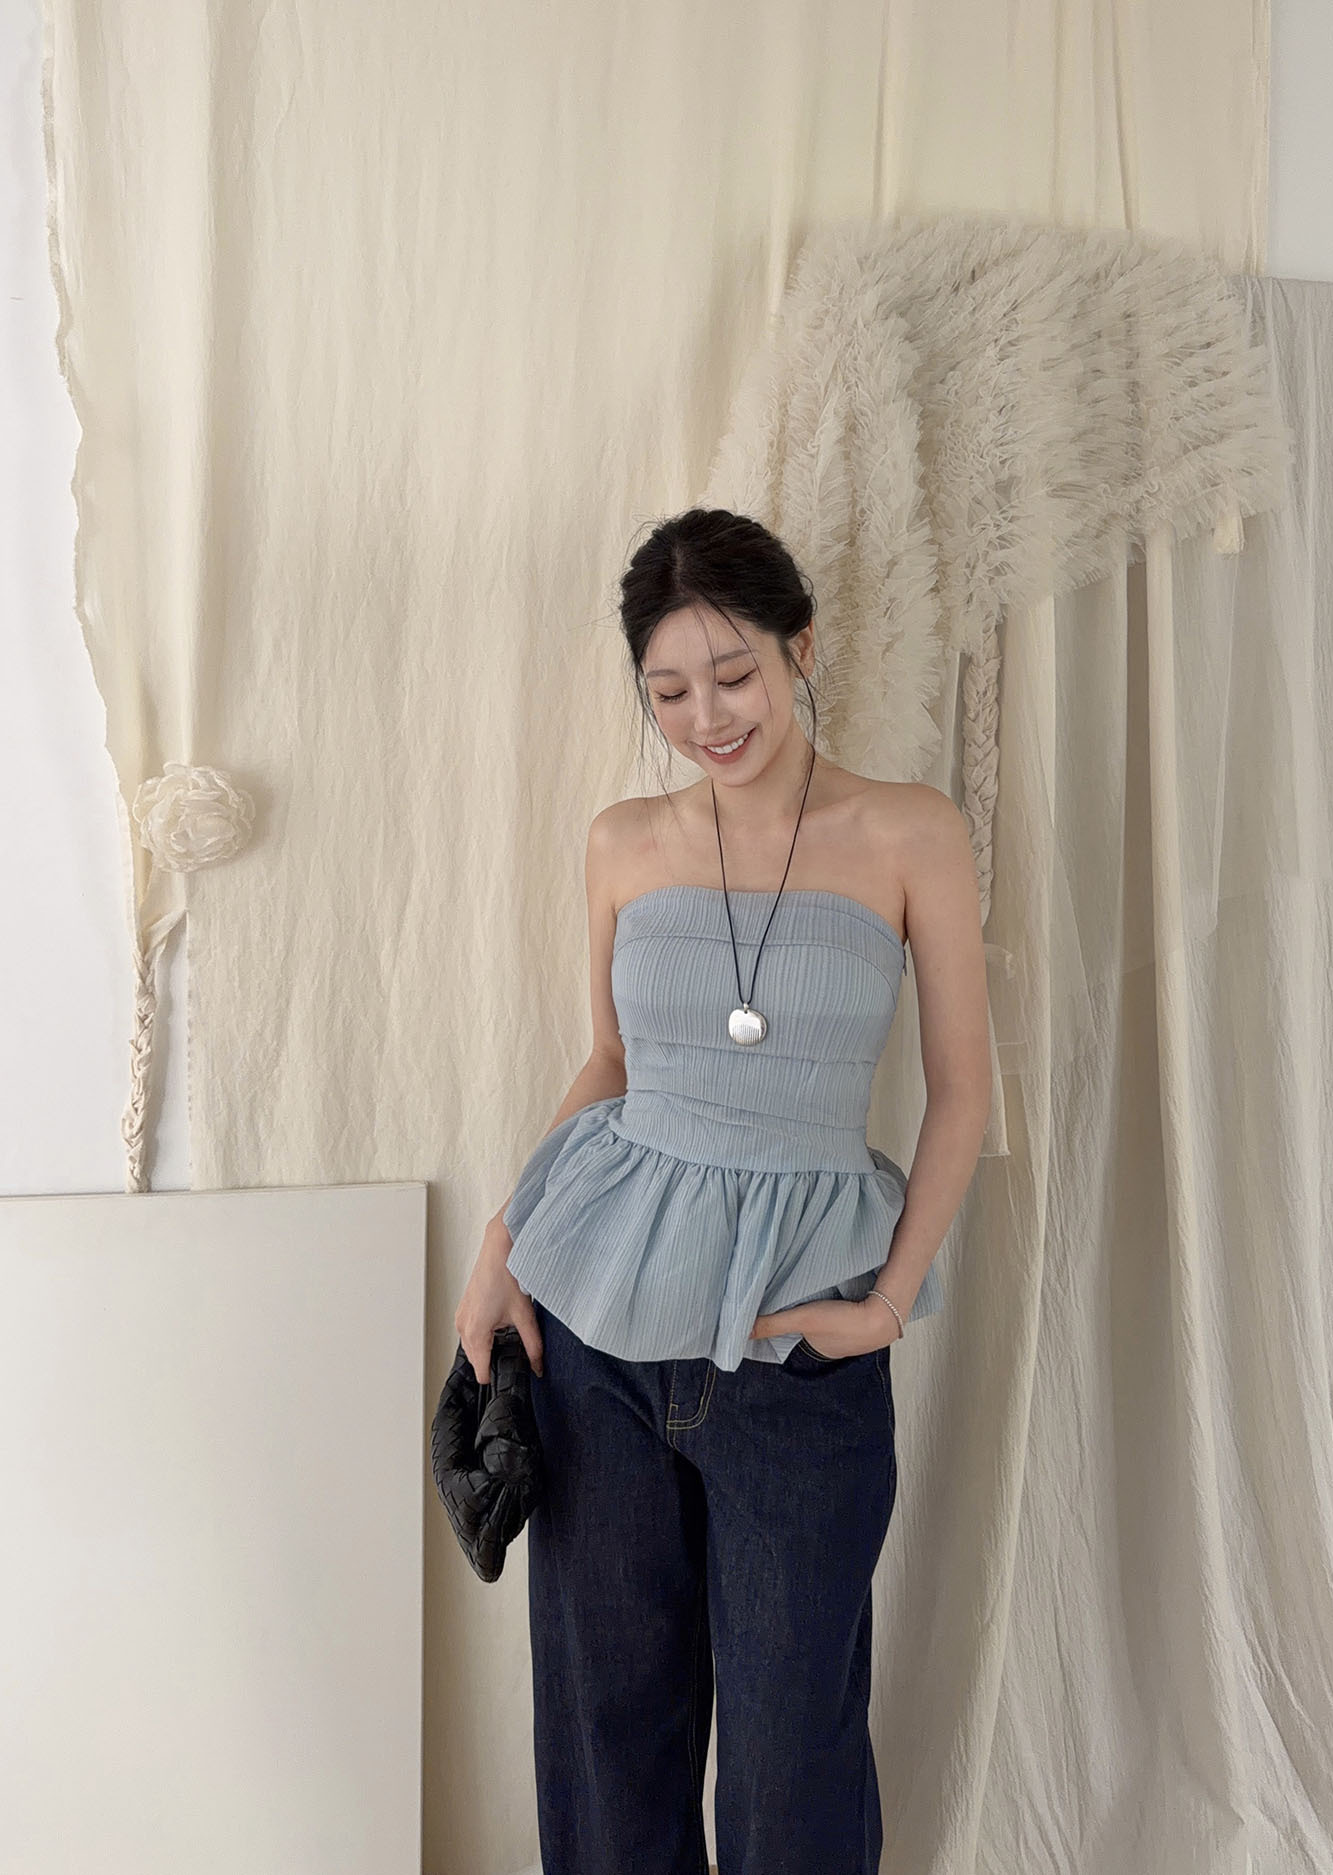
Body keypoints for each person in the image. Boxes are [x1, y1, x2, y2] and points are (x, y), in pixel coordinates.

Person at [454, 507, 992, 1875]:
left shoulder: (910, 831)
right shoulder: (623, 841)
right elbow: (611, 1064)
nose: (708, 717)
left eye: (735, 674)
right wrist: (502, 1246)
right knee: (609, 1741)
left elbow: (963, 1092)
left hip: (796, 1350)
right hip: (597, 1336)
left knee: (791, 1757)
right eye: (670, 691)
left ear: (800, 647)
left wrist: (881, 1311)